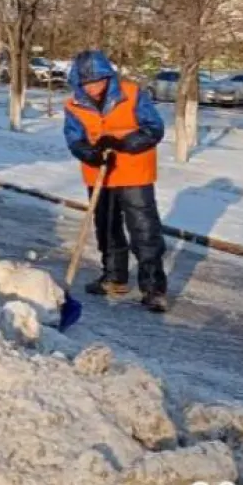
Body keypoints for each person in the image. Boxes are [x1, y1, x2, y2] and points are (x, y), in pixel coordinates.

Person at [63, 49, 169, 313]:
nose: (94, 88)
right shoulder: (73, 105)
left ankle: (154, 288)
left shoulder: (131, 94)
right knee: (106, 228)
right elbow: (75, 140)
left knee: (144, 230)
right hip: (100, 175)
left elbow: (154, 129)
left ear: (108, 77)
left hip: (134, 173)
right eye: (87, 83)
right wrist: (92, 154)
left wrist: (123, 143)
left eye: (98, 81)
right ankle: (114, 278)